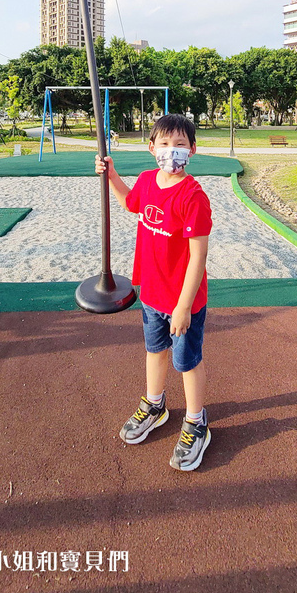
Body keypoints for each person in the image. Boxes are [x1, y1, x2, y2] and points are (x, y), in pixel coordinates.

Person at [95, 113, 212, 471]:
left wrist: (183, 306)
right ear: (151, 148)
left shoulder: (193, 197)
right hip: (151, 294)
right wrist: (112, 176)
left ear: (192, 150)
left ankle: (196, 421)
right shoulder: (147, 181)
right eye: (164, 144)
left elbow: (198, 258)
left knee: (186, 361)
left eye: (179, 145)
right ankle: (155, 404)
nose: (171, 152)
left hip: (183, 302)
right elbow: (131, 203)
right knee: (154, 351)